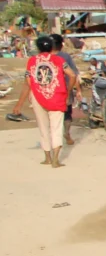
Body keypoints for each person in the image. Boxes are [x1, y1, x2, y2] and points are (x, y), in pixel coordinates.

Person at [10, 35, 72, 166]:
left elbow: (28, 82)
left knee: (43, 128)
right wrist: (68, 91)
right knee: (56, 128)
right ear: (52, 47)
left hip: (38, 97)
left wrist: (19, 104)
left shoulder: (32, 61)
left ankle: (47, 158)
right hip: (57, 96)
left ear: (38, 48)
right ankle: (56, 160)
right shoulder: (59, 60)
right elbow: (72, 75)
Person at [50, 33, 79, 145]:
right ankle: (66, 133)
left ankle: (53, 135)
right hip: (66, 88)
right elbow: (74, 74)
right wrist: (77, 90)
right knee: (67, 113)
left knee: (51, 113)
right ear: (61, 45)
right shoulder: (65, 56)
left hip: (50, 90)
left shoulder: (44, 57)